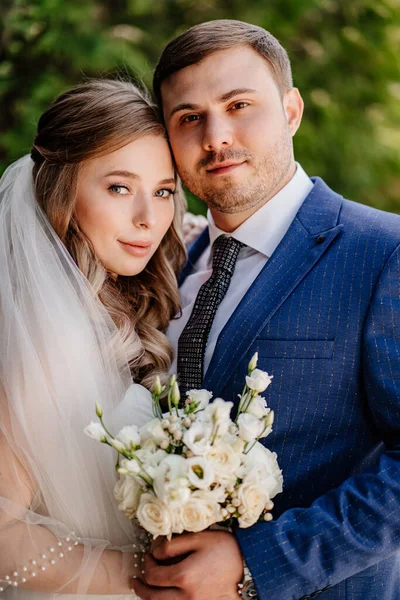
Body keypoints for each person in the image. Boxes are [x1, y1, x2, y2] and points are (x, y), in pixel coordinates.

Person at [132, 19, 400, 600]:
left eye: (239, 104)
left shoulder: (384, 253)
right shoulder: (161, 266)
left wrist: (258, 562)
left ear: (291, 111)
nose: (216, 136)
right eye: (189, 118)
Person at [0, 79, 187, 599]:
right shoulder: (44, 340)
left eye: (164, 191)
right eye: (119, 188)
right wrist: (148, 576)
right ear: (61, 191)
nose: (149, 219)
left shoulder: (113, 308)